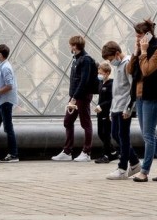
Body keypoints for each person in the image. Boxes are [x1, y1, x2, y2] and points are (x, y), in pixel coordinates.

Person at [129, 18, 157, 181]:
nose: (137, 39)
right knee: (149, 134)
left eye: (139, 36)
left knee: (148, 134)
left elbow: (146, 70)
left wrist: (144, 52)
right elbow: (129, 70)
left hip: (153, 98)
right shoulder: (140, 50)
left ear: (147, 35)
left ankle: (144, 171)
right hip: (140, 96)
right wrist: (136, 52)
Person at [53, 34, 97, 162]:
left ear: (75, 46)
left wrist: (74, 97)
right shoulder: (77, 58)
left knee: (85, 123)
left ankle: (86, 152)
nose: (69, 46)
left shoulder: (86, 60)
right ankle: (67, 151)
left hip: (81, 96)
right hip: (75, 96)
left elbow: (84, 81)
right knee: (67, 121)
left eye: (70, 44)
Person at [103, 40, 139, 180]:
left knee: (123, 137)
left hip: (124, 107)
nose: (110, 62)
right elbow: (116, 90)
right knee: (116, 135)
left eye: (111, 59)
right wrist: (112, 109)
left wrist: (129, 108)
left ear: (117, 54)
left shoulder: (127, 64)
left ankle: (123, 168)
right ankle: (135, 162)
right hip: (116, 107)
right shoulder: (118, 65)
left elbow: (132, 87)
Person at [0, 43, 19, 163]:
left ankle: (13, 154)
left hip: (5, 101)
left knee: (8, 128)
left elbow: (9, 85)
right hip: (2, 101)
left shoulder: (5, 67)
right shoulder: (1, 65)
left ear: (1, 55)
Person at [94, 62, 116, 163]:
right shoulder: (101, 83)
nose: (99, 74)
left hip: (107, 112)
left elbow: (111, 99)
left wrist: (101, 106)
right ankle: (113, 151)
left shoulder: (111, 84)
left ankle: (106, 155)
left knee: (106, 134)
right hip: (100, 112)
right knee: (100, 133)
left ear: (107, 73)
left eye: (101, 73)